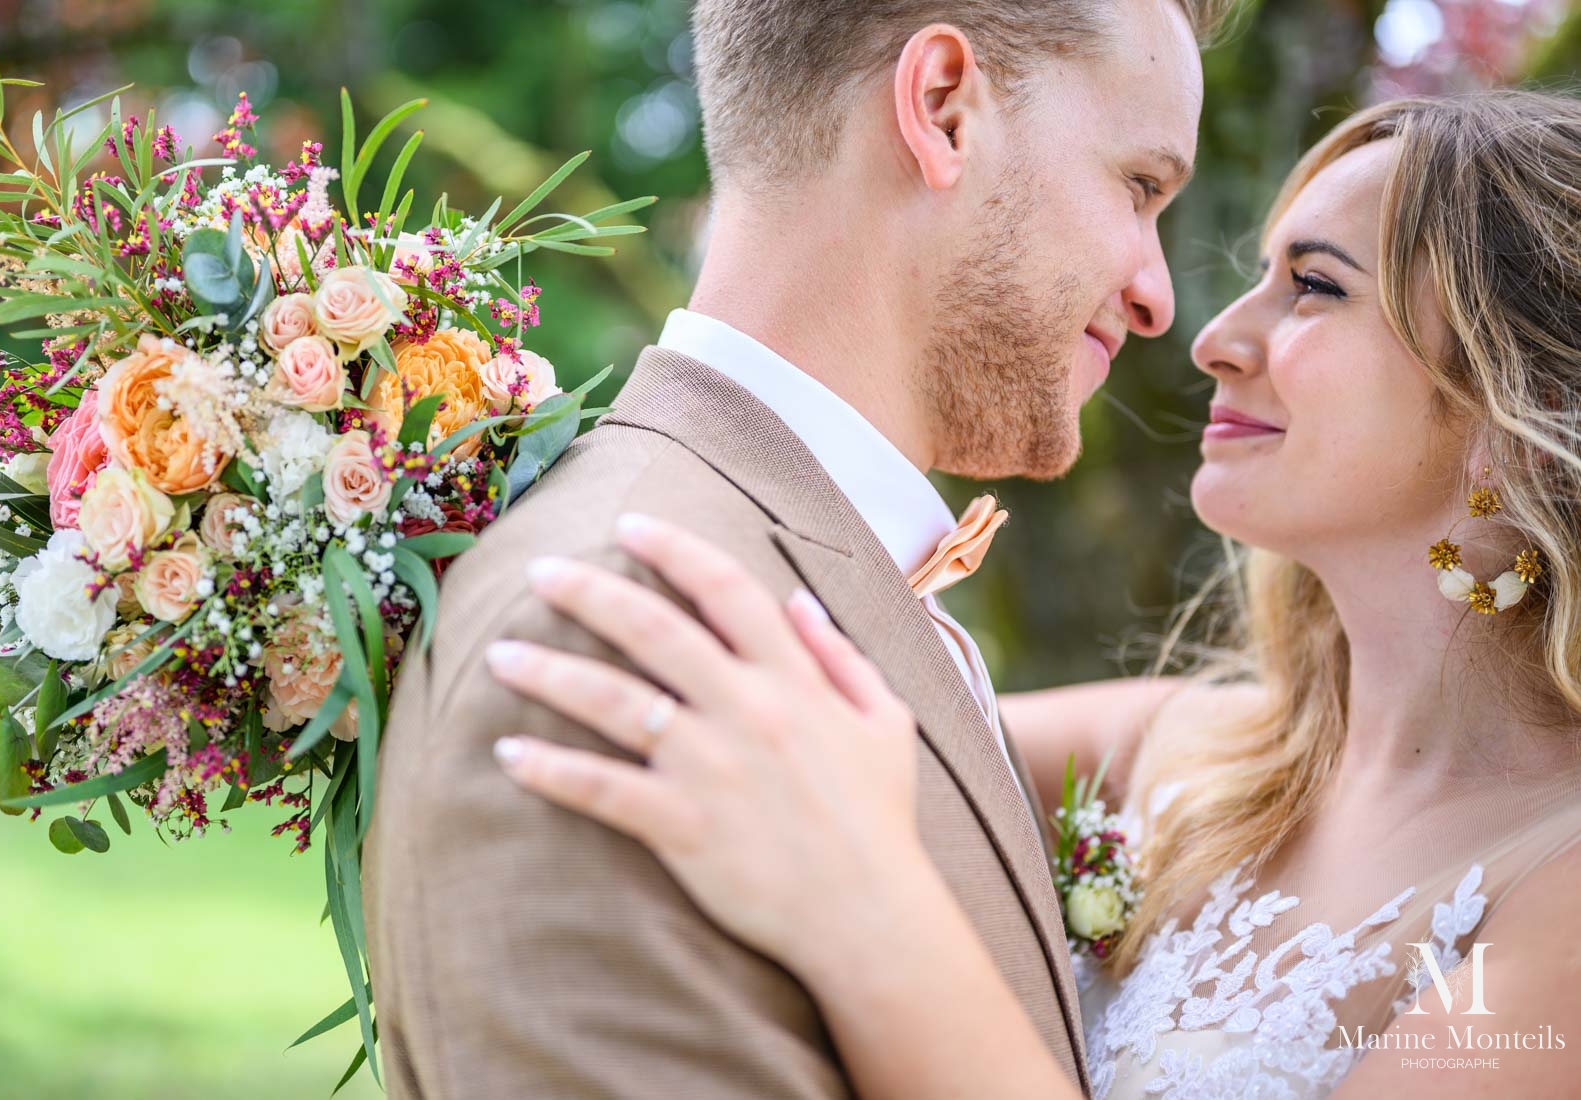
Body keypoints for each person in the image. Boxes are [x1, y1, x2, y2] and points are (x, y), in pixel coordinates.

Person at [486, 89, 1581, 1099]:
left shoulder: (1562, 897)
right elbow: (763, 725)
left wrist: (870, 912)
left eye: (1314, 286)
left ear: (1514, 402)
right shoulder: (1167, 752)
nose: (1211, 337)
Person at [362, 0, 1229, 1094]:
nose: (1158, 295)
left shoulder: (808, 569)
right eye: (1139, 188)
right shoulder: (631, 639)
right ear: (944, 108)